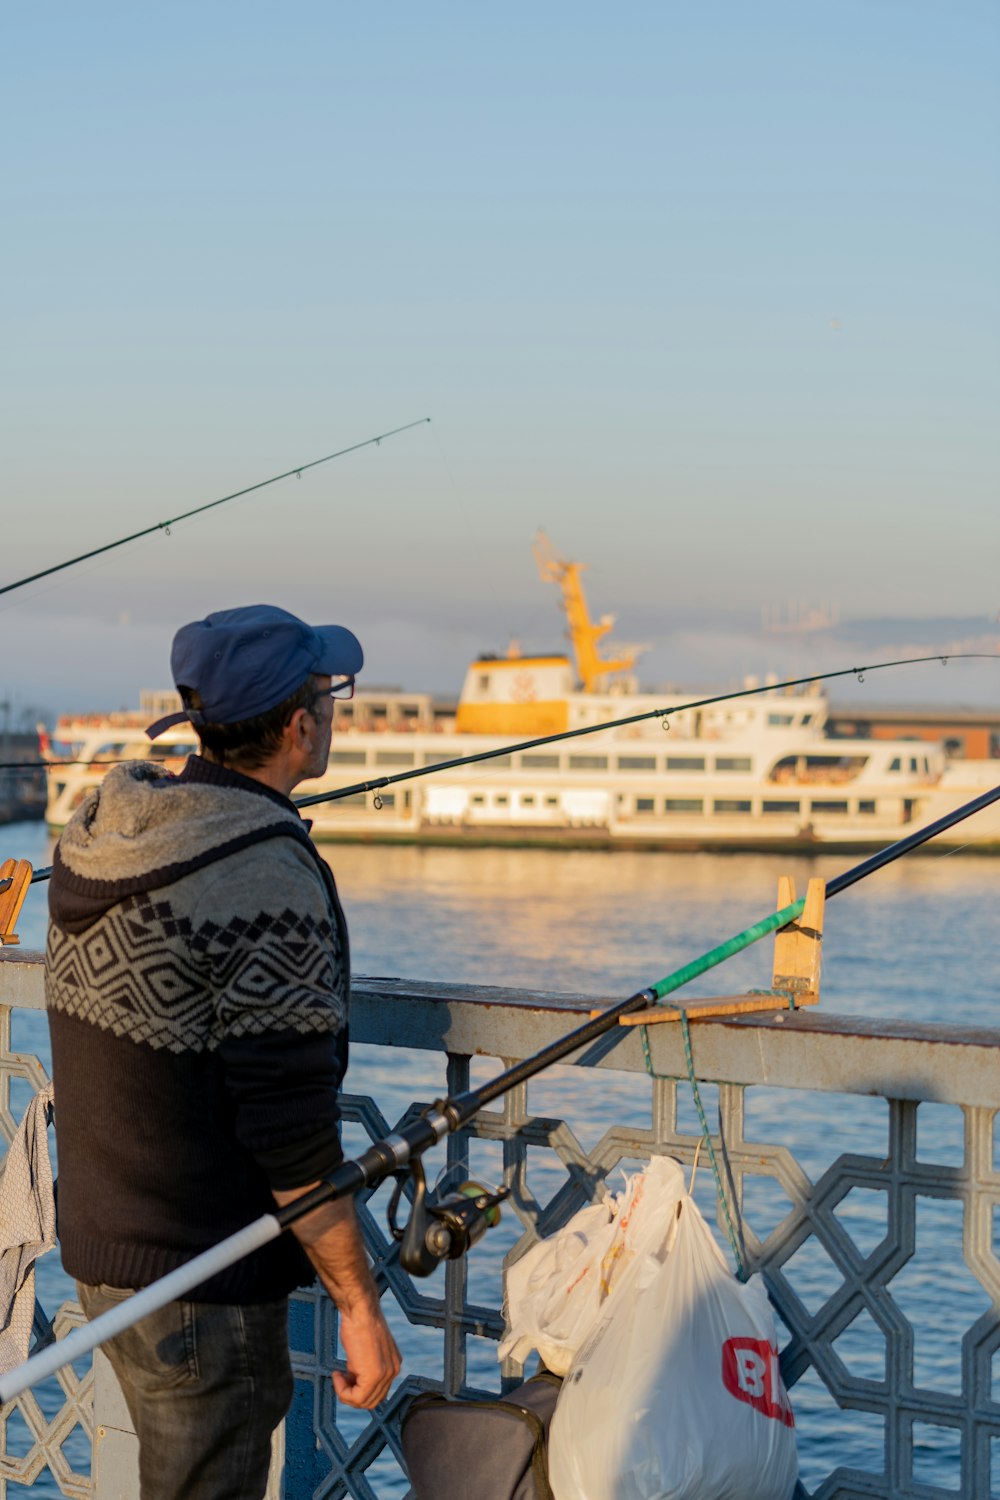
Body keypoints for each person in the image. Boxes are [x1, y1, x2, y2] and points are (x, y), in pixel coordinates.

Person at [45, 604, 400, 1500]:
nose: (333, 712)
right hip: (201, 1282)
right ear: (298, 724)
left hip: (103, 1256)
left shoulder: (108, 830)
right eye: (329, 694)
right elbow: (291, 1135)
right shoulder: (259, 872)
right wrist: (359, 1307)